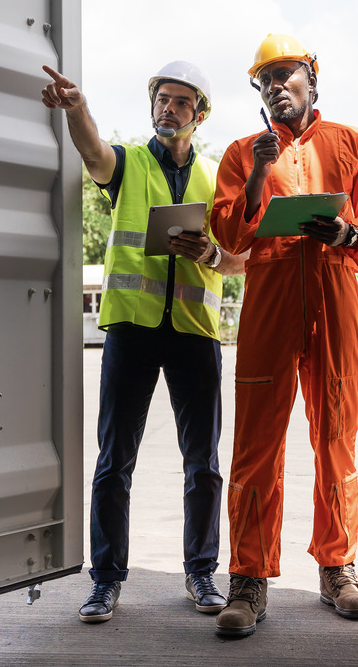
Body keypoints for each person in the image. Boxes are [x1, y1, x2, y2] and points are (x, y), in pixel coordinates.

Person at [41, 60, 247, 623]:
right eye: (162, 98)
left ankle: (202, 573)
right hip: (132, 328)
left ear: (198, 115)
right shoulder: (129, 164)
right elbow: (92, 154)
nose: (168, 108)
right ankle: (105, 580)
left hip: (193, 333)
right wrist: (77, 109)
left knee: (202, 462)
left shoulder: (214, 177)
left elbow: (241, 258)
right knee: (114, 461)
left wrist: (210, 255)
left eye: (182, 102)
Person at [207, 34, 358, 637]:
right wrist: (258, 170)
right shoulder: (239, 153)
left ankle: (338, 566)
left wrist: (345, 235)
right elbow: (230, 236)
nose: (275, 86)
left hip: (334, 297)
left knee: (336, 433)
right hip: (270, 300)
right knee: (256, 443)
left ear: (312, 78)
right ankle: (248, 579)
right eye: (265, 79)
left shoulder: (354, 143)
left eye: (286, 74)